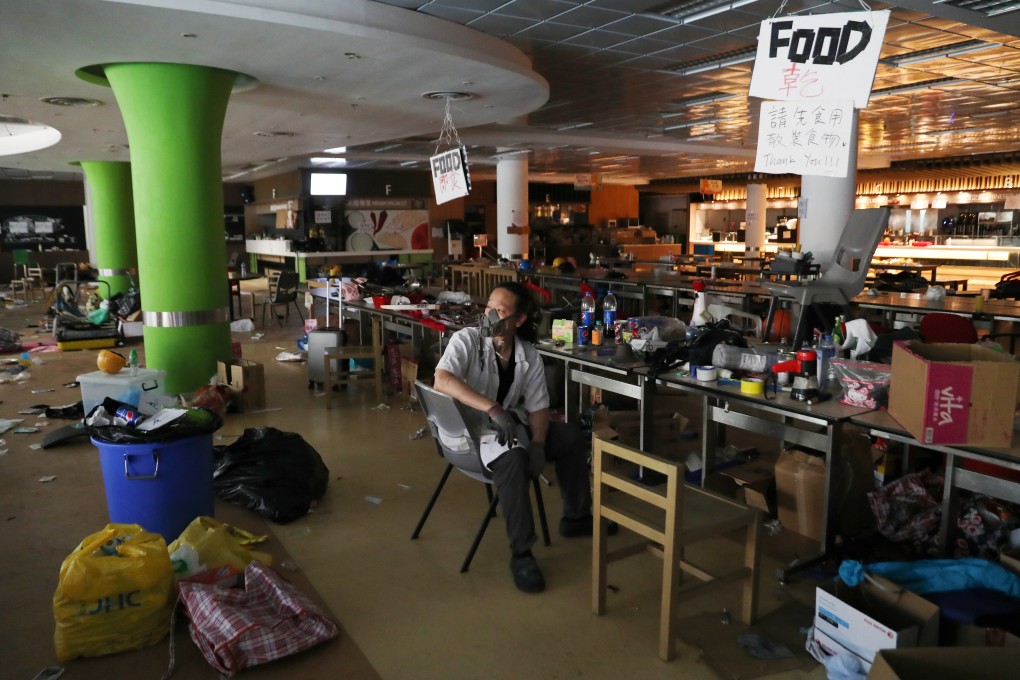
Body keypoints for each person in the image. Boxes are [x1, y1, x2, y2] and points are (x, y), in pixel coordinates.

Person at [433, 281, 597, 594]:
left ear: (518, 320)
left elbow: (538, 406)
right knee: (514, 459)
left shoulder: (528, 355)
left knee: (570, 437)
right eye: (488, 307)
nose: (490, 315)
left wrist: (538, 444)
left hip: (507, 427)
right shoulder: (467, 339)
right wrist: (492, 408)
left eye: (500, 310)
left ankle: (576, 517)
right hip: (469, 434)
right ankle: (521, 553)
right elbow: (441, 379)